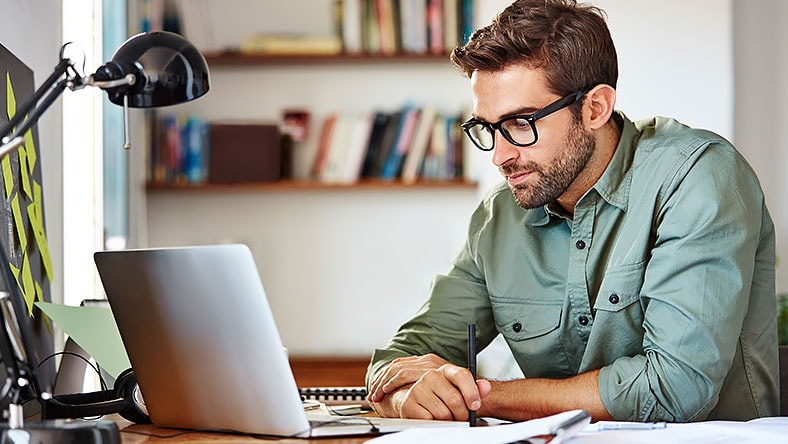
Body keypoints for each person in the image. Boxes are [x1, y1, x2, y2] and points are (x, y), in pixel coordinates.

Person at [365, 0, 779, 423]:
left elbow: (674, 388)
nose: (500, 156)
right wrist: (405, 394)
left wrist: (479, 398)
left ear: (595, 108)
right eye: (487, 128)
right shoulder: (499, 216)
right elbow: (404, 358)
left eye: (522, 123)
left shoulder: (698, 176)